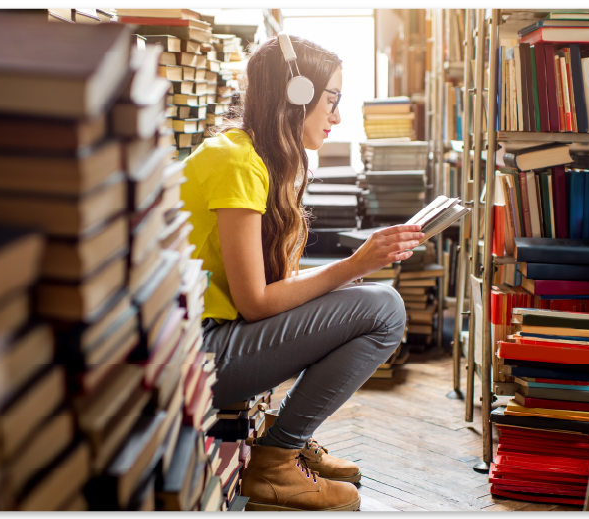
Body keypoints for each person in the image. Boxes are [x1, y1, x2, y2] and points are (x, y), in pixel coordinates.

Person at [179, 34, 422, 512]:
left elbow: (271, 290)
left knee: (373, 303)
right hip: (194, 355)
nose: (336, 116)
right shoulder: (236, 162)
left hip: (204, 342)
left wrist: (353, 272)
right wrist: (356, 266)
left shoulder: (254, 157)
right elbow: (256, 302)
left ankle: (284, 441)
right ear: (297, 97)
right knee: (384, 309)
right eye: (331, 100)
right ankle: (276, 459)